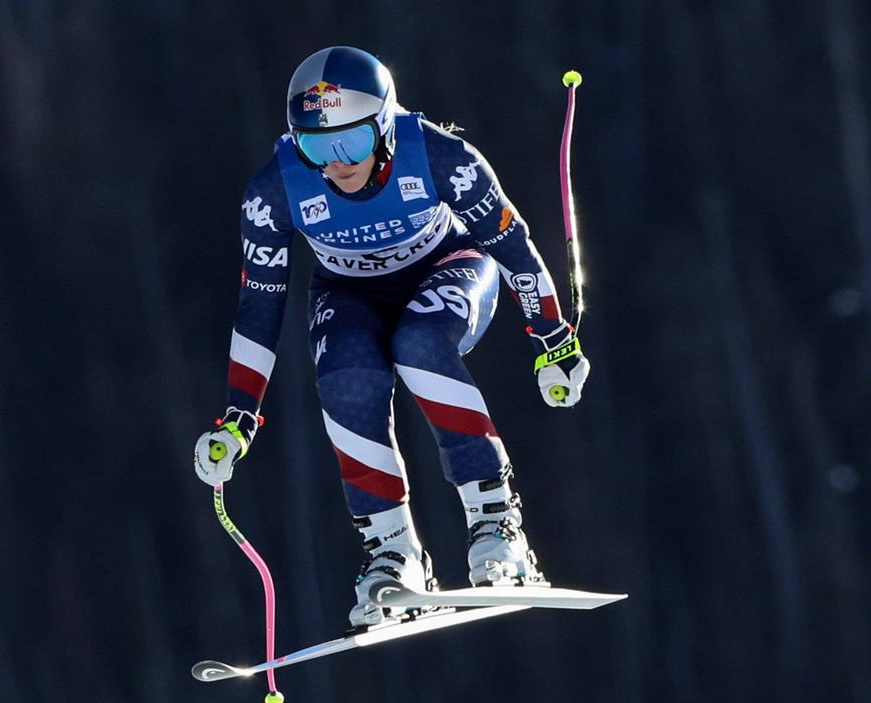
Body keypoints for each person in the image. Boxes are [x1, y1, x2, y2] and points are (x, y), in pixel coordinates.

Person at [193, 45, 592, 628]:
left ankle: (495, 524)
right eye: (314, 146)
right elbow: (260, 305)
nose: (334, 164)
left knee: (420, 343)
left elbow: (513, 248)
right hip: (348, 291)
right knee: (345, 375)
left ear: (383, 125)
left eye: (349, 143)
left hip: (448, 264)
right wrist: (237, 416)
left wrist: (553, 339)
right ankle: (391, 552)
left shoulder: (439, 155)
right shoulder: (274, 191)